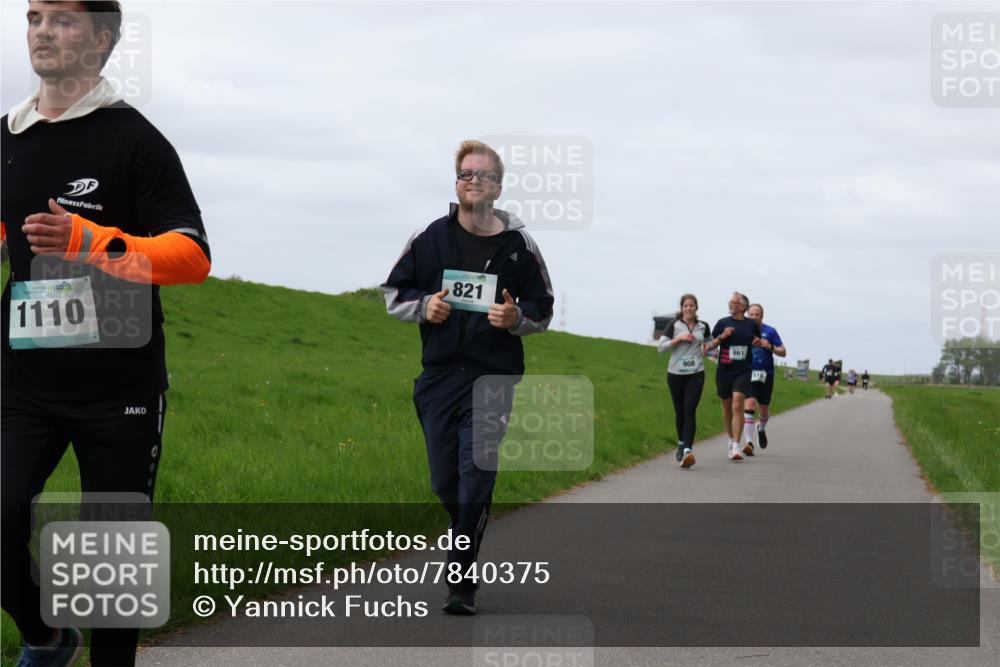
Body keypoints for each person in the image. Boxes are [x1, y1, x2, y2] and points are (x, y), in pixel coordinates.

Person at [1, 3, 211, 666]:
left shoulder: (135, 141)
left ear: (102, 39)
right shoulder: (8, 136)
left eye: (61, 19)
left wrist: (91, 241)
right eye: (34, 16)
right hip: (25, 381)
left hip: (119, 387)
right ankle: (44, 633)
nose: (40, 30)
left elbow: (192, 256)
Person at [382, 140, 554, 615]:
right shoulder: (430, 236)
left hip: (493, 377)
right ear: (456, 181)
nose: (471, 180)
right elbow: (395, 292)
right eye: (464, 173)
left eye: (481, 174)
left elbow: (544, 307)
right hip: (438, 377)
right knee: (445, 483)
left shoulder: (519, 245)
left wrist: (515, 317)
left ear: (498, 186)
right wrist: (425, 307)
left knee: (475, 476)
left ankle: (462, 579)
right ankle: (466, 531)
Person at [706, 292, 764, 461]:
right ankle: (731, 440)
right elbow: (710, 346)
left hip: (743, 371)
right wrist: (721, 337)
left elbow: (757, 341)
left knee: (738, 404)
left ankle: (737, 446)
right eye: (730, 302)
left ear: (743, 306)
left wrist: (758, 343)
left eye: (734, 302)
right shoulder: (722, 323)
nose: (730, 304)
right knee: (726, 407)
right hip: (724, 370)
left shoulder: (751, 325)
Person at [656, 294, 711, 469]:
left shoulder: (704, 326)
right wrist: (680, 338)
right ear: (682, 308)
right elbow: (661, 347)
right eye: (686, 306)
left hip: (696, 372)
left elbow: (710, 345)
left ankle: (688, 450)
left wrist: (709, 348)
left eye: (692, 305)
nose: (689, 308)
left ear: (696, 308)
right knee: (680, 412)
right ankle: (681, 442)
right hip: (675, 373)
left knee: (690, 409)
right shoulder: (674, 325)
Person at [745, 303, 786, 451]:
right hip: (748, 373)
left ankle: (760, 428)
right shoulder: (744, 330)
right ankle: (749, 443)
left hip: (765, 374)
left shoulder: (770, 331)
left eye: (757, 315)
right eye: (751, 314)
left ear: (762, 316)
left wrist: (770, 347)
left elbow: (783, 351)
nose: (754, 317)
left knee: (763, 410)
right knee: (749, 405)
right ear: (747, 315)